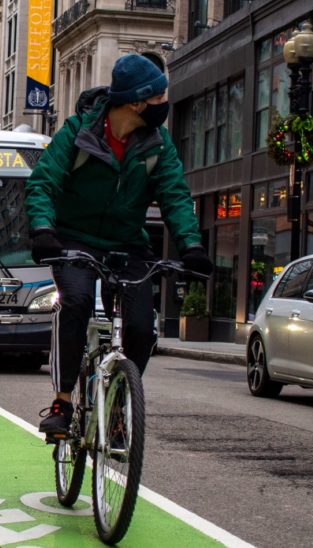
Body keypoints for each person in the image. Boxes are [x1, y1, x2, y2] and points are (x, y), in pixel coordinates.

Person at [25, 54, 214, 436]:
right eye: (161, 97)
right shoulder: (78, 133)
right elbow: (43, 183)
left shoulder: (157, 146)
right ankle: (62, 401)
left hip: (128, 246)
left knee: (143, 329)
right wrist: (44, 229)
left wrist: (191, 246)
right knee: (74, 303)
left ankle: (117, 402)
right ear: (137, 102)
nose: (166, 104)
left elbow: (175, 195)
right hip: (74, 241)